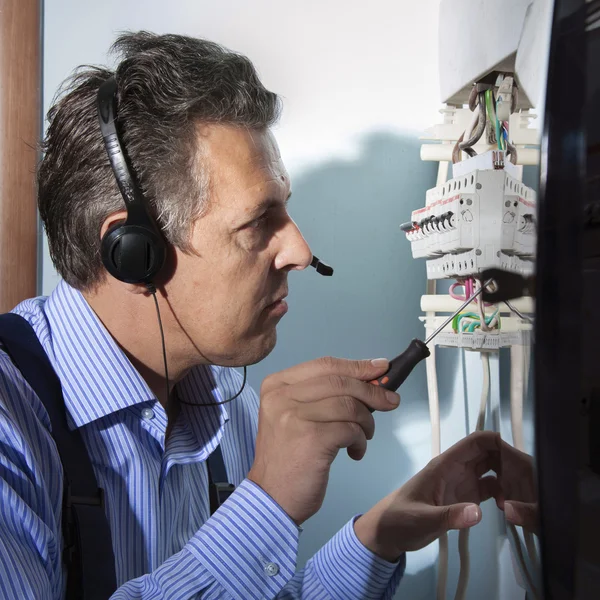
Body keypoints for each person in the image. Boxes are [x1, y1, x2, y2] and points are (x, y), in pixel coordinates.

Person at [0, 31, 506, 599]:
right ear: (132, 252)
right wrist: (265, 504)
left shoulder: (221, 402)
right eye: (257, 222)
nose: (300, 251)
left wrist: (377, 539)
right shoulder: (9, 424)